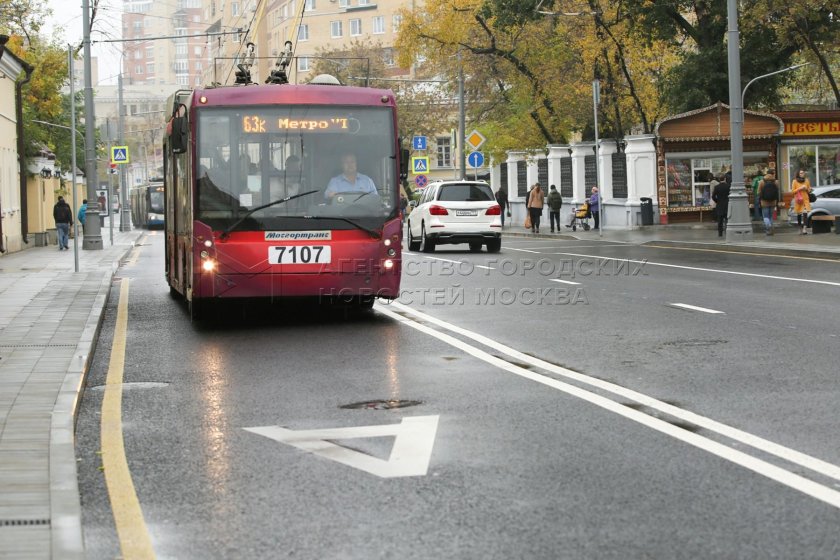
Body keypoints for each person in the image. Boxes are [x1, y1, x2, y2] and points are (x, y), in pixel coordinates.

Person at [757, 171, 779, 235]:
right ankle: (771, 230)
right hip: (773, 202)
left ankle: (768, 227)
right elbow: (777, 191)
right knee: (771, 216)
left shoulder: (762, 181)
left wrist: (761, 196)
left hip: (764, 202)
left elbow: (758, 192)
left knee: (766, 216)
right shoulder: (776, 182)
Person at [791, 168, 812, 234]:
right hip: (799, 200)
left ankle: (804, 228)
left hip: (805, 199)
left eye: (803, 173)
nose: (802, 174)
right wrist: (800, 188)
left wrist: (807, 189)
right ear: (798, 174)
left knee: (805, 214)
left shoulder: (806, 181)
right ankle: (800, 227)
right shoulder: (794, 181)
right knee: (799, 214)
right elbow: (793, 192)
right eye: (801, 173)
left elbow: (809, 190)